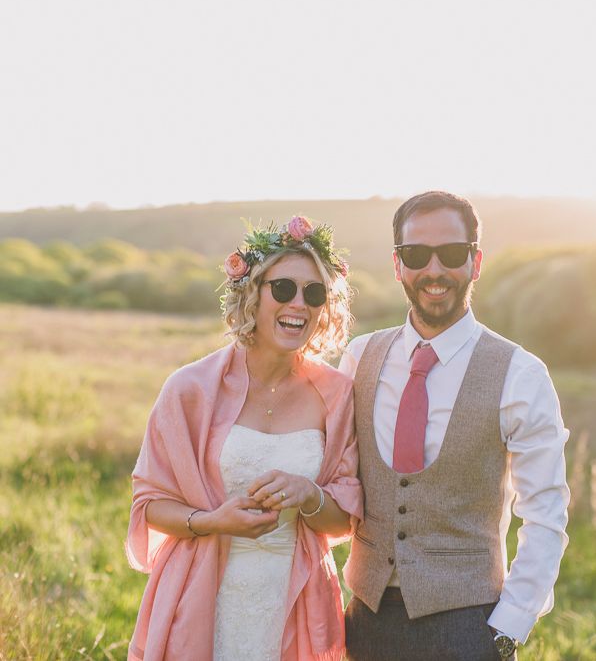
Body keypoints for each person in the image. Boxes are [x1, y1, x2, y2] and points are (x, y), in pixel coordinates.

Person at [339, 191, 570, 661]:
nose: (434, 270)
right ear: (397, 265)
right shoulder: (358, 358)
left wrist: (507, 629)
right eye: (417, 255)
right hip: (363, 622)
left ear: (476, 261)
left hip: (470, 627)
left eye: (452, 254)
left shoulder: (520, 375)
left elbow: (546, 512)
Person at [125, 216, 363, 661]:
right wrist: (215, 521)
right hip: (201, 599)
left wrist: (308, 494)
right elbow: (149, 505)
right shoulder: (190, 389)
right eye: (284, 288)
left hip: (294, 602)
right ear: (252, 291)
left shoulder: (338, 396)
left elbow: (344, 520)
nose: (300, 304)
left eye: (314, 293)